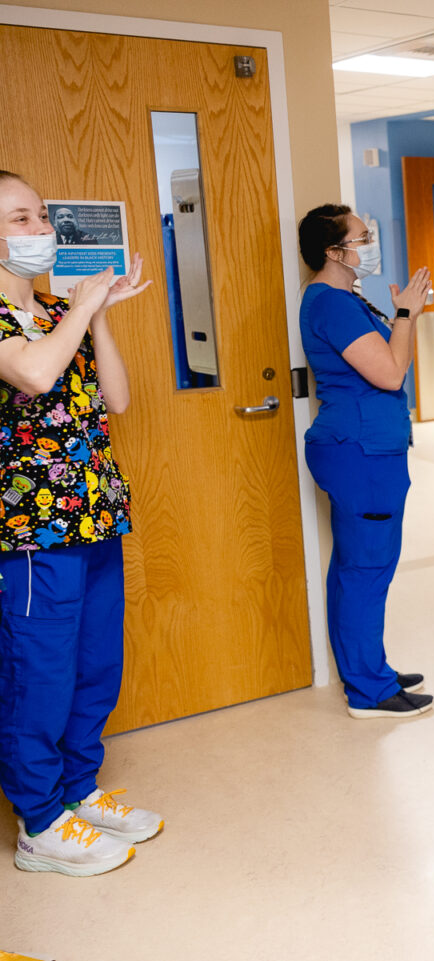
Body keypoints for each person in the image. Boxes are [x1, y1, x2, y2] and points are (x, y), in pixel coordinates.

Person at [0, 170, 162, 877]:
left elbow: (117, 399)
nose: (39, 230)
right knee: (39, 675)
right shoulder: (12, 323)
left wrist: (96, 314)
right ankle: (39, 822)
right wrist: (80, 304)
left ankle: (77, 791)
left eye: (40, 216)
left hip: (94, 516)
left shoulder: (53, 315)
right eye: (19, 218)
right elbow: (34, 377)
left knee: (95, 666)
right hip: (33, 532)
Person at [298, 204, 434, 720]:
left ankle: (366, 669)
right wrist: (405, 313)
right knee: (367, 569)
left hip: (366, 449)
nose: (370, 241)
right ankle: (369, 690)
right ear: (335, 252)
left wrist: (405, 315)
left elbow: (394, 362)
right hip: (360, 453)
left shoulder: (343, 298)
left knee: (355, 567)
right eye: (361, 236)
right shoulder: (330, 304)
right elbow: (390, 375)